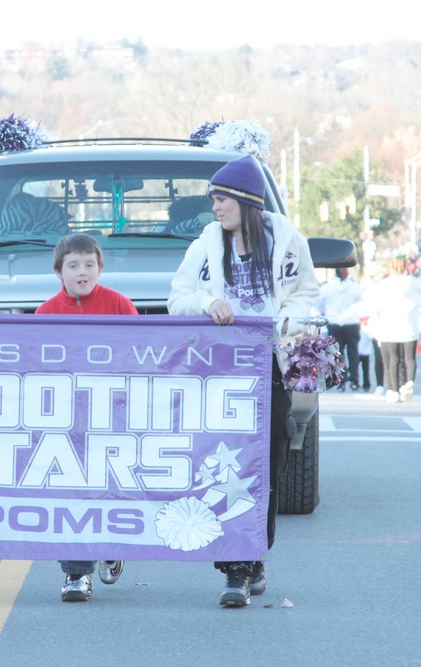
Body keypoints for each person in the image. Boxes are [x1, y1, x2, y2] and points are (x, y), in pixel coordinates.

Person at [168, 155, 318, 608]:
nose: (214, 207)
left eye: (220, 198)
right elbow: (177, 297)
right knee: (225, 467)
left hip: (270, 367)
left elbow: (307, 294)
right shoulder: (206, 244)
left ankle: (255, 557)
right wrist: (209, 302)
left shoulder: (289, 242)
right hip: (217, 373)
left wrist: (287, 320)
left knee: (265, 467)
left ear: (246, 201)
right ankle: (235, 570)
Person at [34, 232, 137, 602]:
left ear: (100, 268)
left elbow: (140, 354)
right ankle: (76, 573)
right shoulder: (45, 312)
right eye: (73, 265)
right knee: (71, 492)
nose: (82, 272)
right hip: (67, 418)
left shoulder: (119, 304)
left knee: (110, 486)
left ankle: (112, 545)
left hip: (111, 416)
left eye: (89, 265)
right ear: (58, 272)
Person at [361, 256, 421, 403]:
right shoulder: (411, 282)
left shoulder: (385, 284)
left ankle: (393, 390)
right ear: (406, 266)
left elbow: (372, 301)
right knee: (409, 358)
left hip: (391, 326)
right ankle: (409, 382)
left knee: (393, 359)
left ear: (392, 267)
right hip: (409, 325)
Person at [315, 267, 363, 390]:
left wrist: (325, 313)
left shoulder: (327, 288)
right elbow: (361, 303)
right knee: (353, 352)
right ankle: (354, 380)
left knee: (337, 353)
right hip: (351, 323)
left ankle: (340, 380)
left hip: (334, 322)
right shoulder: (354, 287)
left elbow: (318, 303)